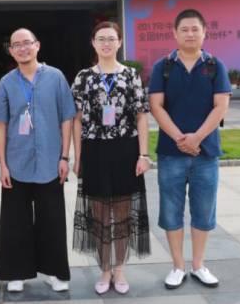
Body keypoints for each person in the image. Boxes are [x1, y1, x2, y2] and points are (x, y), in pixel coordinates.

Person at [148, 9, 231, 290]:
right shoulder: (163, 66)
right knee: (171, 210)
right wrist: (180, 139)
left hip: (206, 154)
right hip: (171, 153)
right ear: (175, 33)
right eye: (184, 29)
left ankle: (198, 265)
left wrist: (196, 138)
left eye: (195, 29)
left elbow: (221, 106)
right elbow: (156, 106)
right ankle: (177, 266)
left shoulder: (215, 66)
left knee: (204, 211)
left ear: (205, 32)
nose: (190, 34)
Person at [0, 28, 76, 293]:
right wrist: (3, 165)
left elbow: (67, 118)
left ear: (37, 45)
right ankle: (16, 273)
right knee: (15, 221)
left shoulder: (56, 77)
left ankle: (54, 272)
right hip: (17, 162)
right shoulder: (6, 83)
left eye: (27, 43)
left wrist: (65, 156)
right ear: (11, 51)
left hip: (51, 162)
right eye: (16, 45)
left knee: (52, 220)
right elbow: (0, 125)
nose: (22, 48)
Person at [71, 21, 151, 295]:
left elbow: (141, 117)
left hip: (125, 150)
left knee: (123, 214)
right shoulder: (83, 77)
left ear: (119, 42)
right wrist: (77, 157)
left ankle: (120, 269)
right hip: (94, 150)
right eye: (101, 39)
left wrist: (143, 154)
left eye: (111, 38)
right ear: (93, 43)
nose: (106, 43)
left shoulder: (131, 75)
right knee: (100, 216)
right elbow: (76, 119)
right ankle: (105, 269)